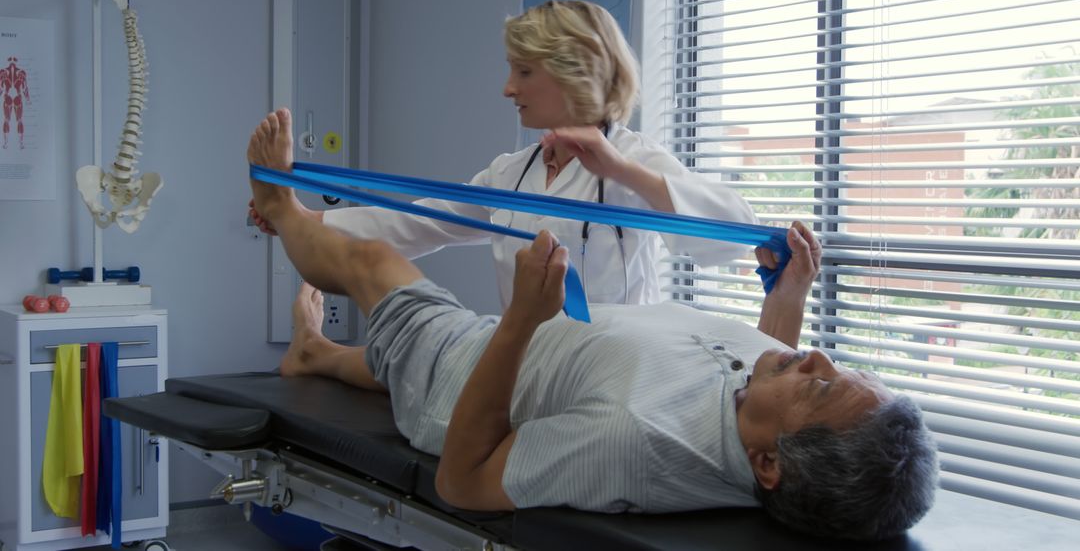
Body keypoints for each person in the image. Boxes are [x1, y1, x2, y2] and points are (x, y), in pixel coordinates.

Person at [247, 108, 939, 541]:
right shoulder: (760, 407)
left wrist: (521, 320)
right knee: (381, 359)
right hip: (521, 352)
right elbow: (767, 384)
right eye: (843, 367)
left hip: (460, 379)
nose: (817, 356)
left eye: (821, 387)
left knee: (372, 264)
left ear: (767, 464)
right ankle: (314, 353)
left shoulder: (633, 443)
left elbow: (463, 480)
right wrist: (786, 298)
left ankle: (279, 208)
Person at [249, 0, 756, 309]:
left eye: (524, 71)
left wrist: (619, 169)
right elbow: (413, 223)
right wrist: (306, 219)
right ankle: (313, 345)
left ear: (574, 70)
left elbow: (733, 235)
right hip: (525, 366)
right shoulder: (511, 173)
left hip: (614, 372)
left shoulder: (636, 162)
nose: (508, 89)